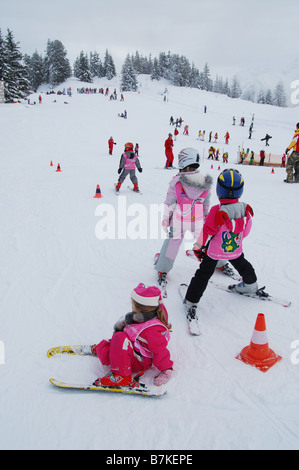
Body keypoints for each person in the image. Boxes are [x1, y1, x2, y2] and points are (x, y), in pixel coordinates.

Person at [182, 168, 258, 322]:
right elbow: (246, 231)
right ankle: (251, 284)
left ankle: (191, 300)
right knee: (243, 265)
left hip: (215, 252)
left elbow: (206, 233)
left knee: (203, 275)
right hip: (235, 250)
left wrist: (198, 248)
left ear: (218, 189)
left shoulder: (217, 211)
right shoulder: (246, 209)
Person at [92, 283, 173, 388]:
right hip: (133, 348)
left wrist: (166, 370)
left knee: (119, 338)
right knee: (107, 349)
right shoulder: (140, 317)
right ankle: (107, 349)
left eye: (132, 304)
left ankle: (121, 376)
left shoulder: (152, 330)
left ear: (139, 309)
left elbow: (159, 350)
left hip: (140, 360)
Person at [154, 148, 212, 285]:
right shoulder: (204, 182)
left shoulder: (177, 182)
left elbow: (169, 203)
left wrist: (166, 220)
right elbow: (206, 204)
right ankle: (218, 261)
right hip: (197, 220)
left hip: (179, 220)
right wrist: (205, 219)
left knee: (172, 245)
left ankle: (163, 268)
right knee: (205, 241)